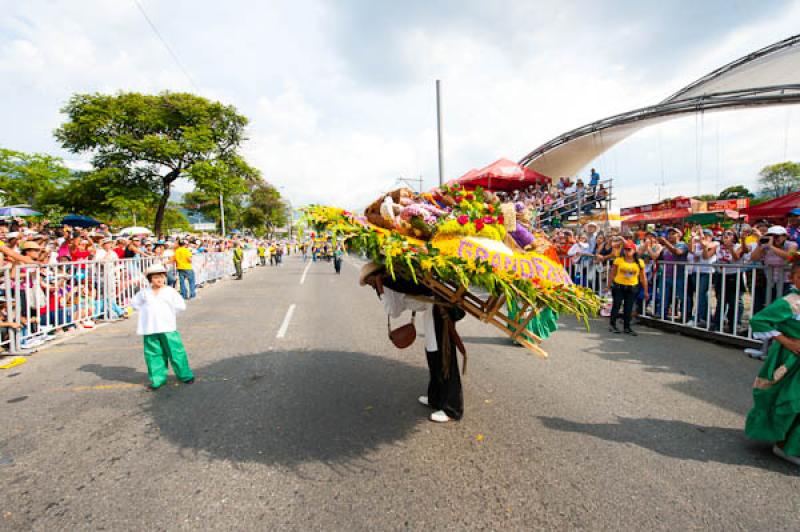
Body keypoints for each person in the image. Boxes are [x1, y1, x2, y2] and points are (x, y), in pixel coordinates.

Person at [360, 263, 465, 423]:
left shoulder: (386, 283)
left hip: (439, 308)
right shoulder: (390, 279)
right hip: (433, 308)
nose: (369, 285)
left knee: (444, 358)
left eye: (368, 281)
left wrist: (381, 292)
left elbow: (394, 312)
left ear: (374, 276)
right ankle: (435, 398)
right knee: (432, 354)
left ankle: (452, 408)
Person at [745, 262, 800, 465]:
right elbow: (759, 321)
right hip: (791, 360)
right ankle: (786, 445)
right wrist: (786, 340)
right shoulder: (789, 302)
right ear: (792, 278)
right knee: (791, 401)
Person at [130, 264, 194, 390]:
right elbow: (135, 304)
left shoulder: (170, 291)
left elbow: (180, 306)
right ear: (150, 279)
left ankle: (185, 375)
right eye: (155, 277)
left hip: (168, 327)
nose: (159, 280)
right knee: (153, 354)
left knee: (176, 352)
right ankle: (157, 379)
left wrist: (169, 315)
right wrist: (146, 313)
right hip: (150, 328)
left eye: (161, 277)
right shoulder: (144, 293)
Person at [608, 240, 648, 335]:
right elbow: (612, 273)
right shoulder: (618, 260)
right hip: (619, 286)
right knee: (616, 305)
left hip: (632, 287)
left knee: (628, 308)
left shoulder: (640, 262)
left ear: (634, 250)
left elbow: (643, 277)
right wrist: (608, 285)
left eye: (629, 249)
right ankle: (612, 325)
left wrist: (646, 291)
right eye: (625, 249)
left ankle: (627, 327)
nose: (627, 251)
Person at [712, 230, 744, 333]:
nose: (726, 236)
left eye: (729, 234)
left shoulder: (738, 246)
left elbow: (736, 258)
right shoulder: (718, 247)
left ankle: (734, 324)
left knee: (734, 302)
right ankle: (717, 324)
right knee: (721, 301)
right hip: (722, 275)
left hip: (735, 275)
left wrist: (730, 247)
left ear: (735, 237)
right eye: (724, 234)